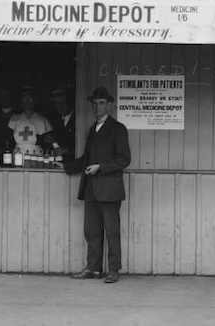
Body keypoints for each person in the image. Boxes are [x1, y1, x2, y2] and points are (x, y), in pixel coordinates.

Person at [63, 86, 131, 284]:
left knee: (111, 231)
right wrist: (66, 165)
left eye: (102, 103)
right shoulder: (93, 129)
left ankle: (113, 270)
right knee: (91, 230)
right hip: (92, 188)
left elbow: (124, 159)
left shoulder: (118, 129)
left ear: (109, 105)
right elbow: (86, 159)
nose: (97, 107)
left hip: (109, 189)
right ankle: (93, 268)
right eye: (95, 103)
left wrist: (100, 167)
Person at [7, 85, 52, 164]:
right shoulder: (14, 119)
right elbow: (8, 141)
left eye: (30, 98)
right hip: (18, 155)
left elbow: (49, 141)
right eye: (25, 98)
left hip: (36, 156)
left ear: (35, 100)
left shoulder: (43, 119)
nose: (28, 101)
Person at [47, 85, 76, 163]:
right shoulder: (56, 121)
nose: (58, 106)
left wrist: (67, 150)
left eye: (61, 103)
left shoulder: (78, 120)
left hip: (74, 165)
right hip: (58, 163)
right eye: (56, 103)